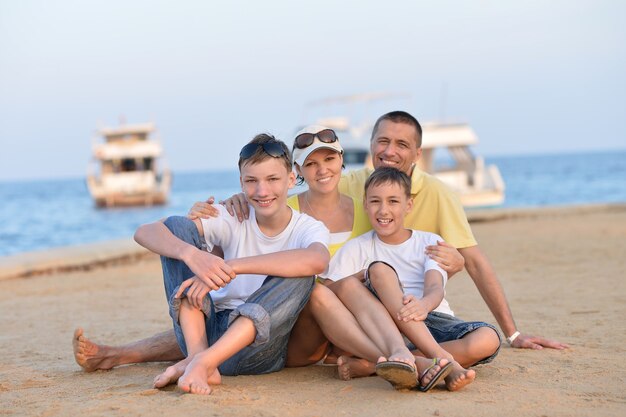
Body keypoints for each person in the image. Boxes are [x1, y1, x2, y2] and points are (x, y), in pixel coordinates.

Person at [132, 133, 331, 395]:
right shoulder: (233, 215)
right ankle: (198, 356)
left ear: (291, 179)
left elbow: (317, 260)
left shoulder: (307, 228)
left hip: (255, 347)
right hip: (205, 331)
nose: (262, 191)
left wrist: (232, 266)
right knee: (176, 226)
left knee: (302, 273)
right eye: (252, 181)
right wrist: (193, 256)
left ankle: (201, 363)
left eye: (272, 179)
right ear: (241, 182)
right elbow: (145, 232)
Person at [325, 167, 500, 391]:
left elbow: (436, 285)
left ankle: (374, 364)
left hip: (433, 319)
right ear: (365, 205)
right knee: (378, 270)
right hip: (389, 328)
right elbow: (329, 291)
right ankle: (443, 360)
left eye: (393, 201)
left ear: (408, 205)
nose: (384, 210)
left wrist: (423, 305)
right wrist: (363, 276)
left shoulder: (428, 241)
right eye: (376, 201)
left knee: (488, 338)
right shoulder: (357, 248)